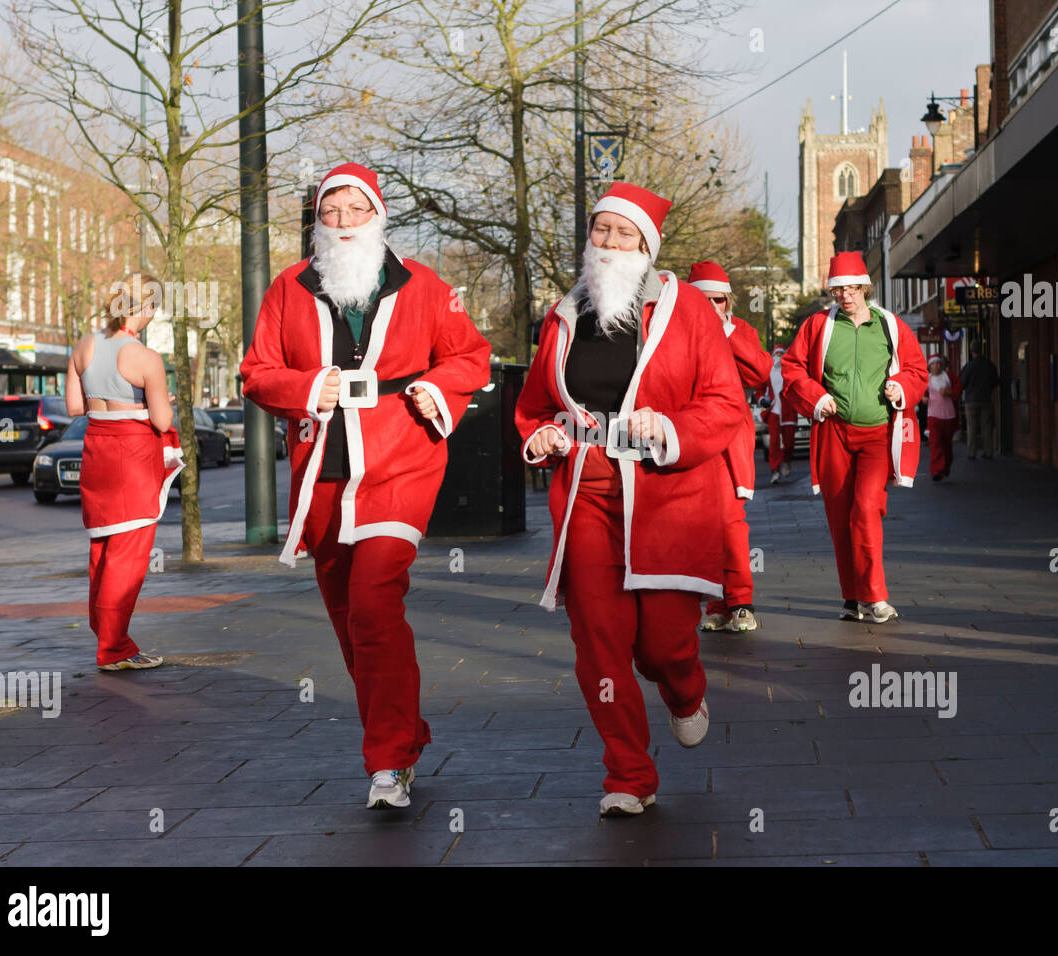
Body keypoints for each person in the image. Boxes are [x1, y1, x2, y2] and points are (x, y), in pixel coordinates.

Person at [240, 163, 491, 810]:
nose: (345, 222)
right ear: (317, 220)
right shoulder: (289, 288)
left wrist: (434, 388)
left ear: (378, 215)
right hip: (322, 465)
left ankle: (385, 762)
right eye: (332, 212)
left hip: (400, 459)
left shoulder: (425, 286)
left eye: (357, 210)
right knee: (350, 617)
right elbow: (257, 372)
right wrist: (302, 388)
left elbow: (470, 355)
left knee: (376, 602)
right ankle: (403, 733)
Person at [515, 182, 745, 816]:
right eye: (601, 231)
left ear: (648, 245)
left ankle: (684, 689)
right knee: (598, 637)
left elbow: (726, 404)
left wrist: (671, 427)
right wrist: (545, 434)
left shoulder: (687, 311)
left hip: (667, 491)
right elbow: (535, 405)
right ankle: (628, 774)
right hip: (587, 486)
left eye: (625, 233)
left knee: (663, 644)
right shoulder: (563, 316)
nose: (610, 243)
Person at [780, 251, 927, 624]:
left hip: (878, 434)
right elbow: (792, 369)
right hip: (834, 434)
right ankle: (852, 597)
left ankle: (875, 596)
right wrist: (818, 397)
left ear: (864, 287)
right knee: (839, 515)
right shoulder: (817, 326)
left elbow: (916, 369)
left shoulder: (890, 326)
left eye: (851, 288)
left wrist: (900, 386)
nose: (845, 295)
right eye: (838, 289)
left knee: (865, 509)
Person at [65, 273, 183, 671]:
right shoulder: (146, 358)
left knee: (102, 550)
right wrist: (159, 402)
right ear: (145, 308)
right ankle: (113, 649)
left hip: (96, 453)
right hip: (132, 457)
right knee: (128, 556)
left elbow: (75, 408)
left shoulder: (83, 347)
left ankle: (109, 638)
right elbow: (164, 421)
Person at [689, 261, 772, 633]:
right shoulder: (673, 331)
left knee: (728, 521)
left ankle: (740, 601)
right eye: (703, 299)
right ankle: (717, 605)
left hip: (725, 440)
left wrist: (726, 333)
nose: (711, 306)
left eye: (718, 300)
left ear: (728, 302)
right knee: (699, 526)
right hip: (687, 437)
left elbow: (759, 371)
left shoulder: (739, 330)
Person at [757, 347, 797, 483]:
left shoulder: (789, 370)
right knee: (774, 443)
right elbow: (760, 389)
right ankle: (775, 471)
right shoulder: (768, 372)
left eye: (781, 354)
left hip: (788, 410)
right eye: (777, 354)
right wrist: (762, 399)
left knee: (789, 442)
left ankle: (787, 460)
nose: (779, 356)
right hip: (774, 410)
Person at [959, 343, 1000, 460]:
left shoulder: (969, 366)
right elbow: (996, 381)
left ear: (971, 351)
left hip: (971, 400)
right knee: (987, 426)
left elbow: (962, 382)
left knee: (971, 427)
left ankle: (972, 453)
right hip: (986, 399)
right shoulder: (989, 365)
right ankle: (988, 452)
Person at [926, 354, 962, 481]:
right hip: (933, 417)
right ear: (929, 366)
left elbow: (959, 388)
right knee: (935, 443)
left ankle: (945, 467)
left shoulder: (949, 377)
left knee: (946, 444)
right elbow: (920, 392)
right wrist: (923, 398)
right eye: (933, 364)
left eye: (938, 364)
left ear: (942, 365)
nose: (935, 366)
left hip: (949, 416)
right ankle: (936, 470)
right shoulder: (927, 379)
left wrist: (949, 392)